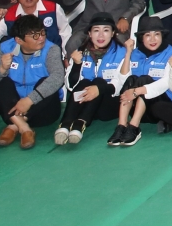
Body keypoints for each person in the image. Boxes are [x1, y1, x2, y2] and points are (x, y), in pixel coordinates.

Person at [0, 12, 65, 149]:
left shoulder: (51, 49)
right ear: (19, 40)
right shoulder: (6, 48)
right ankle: (24, 128)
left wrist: (29, 101)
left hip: (44, 111)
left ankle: (13, 125)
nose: (41, 38)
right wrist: (1, 69)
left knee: (48, 81)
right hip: (13, 106)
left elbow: (58, 77)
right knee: (1, 80)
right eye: (35, 35)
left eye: (42, 32)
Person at [55, 13, 128, 145]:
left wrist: (99, 89)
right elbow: (71, 86)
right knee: (84, 82)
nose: (101, 35)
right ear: (89, 33)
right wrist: (76, 65)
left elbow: (122, 84)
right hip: (84, 103)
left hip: (109, 106)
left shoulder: (122, 53)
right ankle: (65, 123)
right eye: (96, 30)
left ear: (113, 33)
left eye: (106, 30)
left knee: (99, 81)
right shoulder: (81, 52)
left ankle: (79, 124)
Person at [109, 18, 172, 147]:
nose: (153, 39)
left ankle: (134, 127)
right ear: (141, 38)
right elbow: (122, 80)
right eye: (147, 35)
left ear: (162, 36)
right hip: (137, 106)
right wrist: (128, 53)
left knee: (144, 79)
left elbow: (167, 83)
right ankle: (122, 125)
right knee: (131, 79)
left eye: (157, 34)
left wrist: (137, 91)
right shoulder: (135, 53)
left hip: (161, 107)